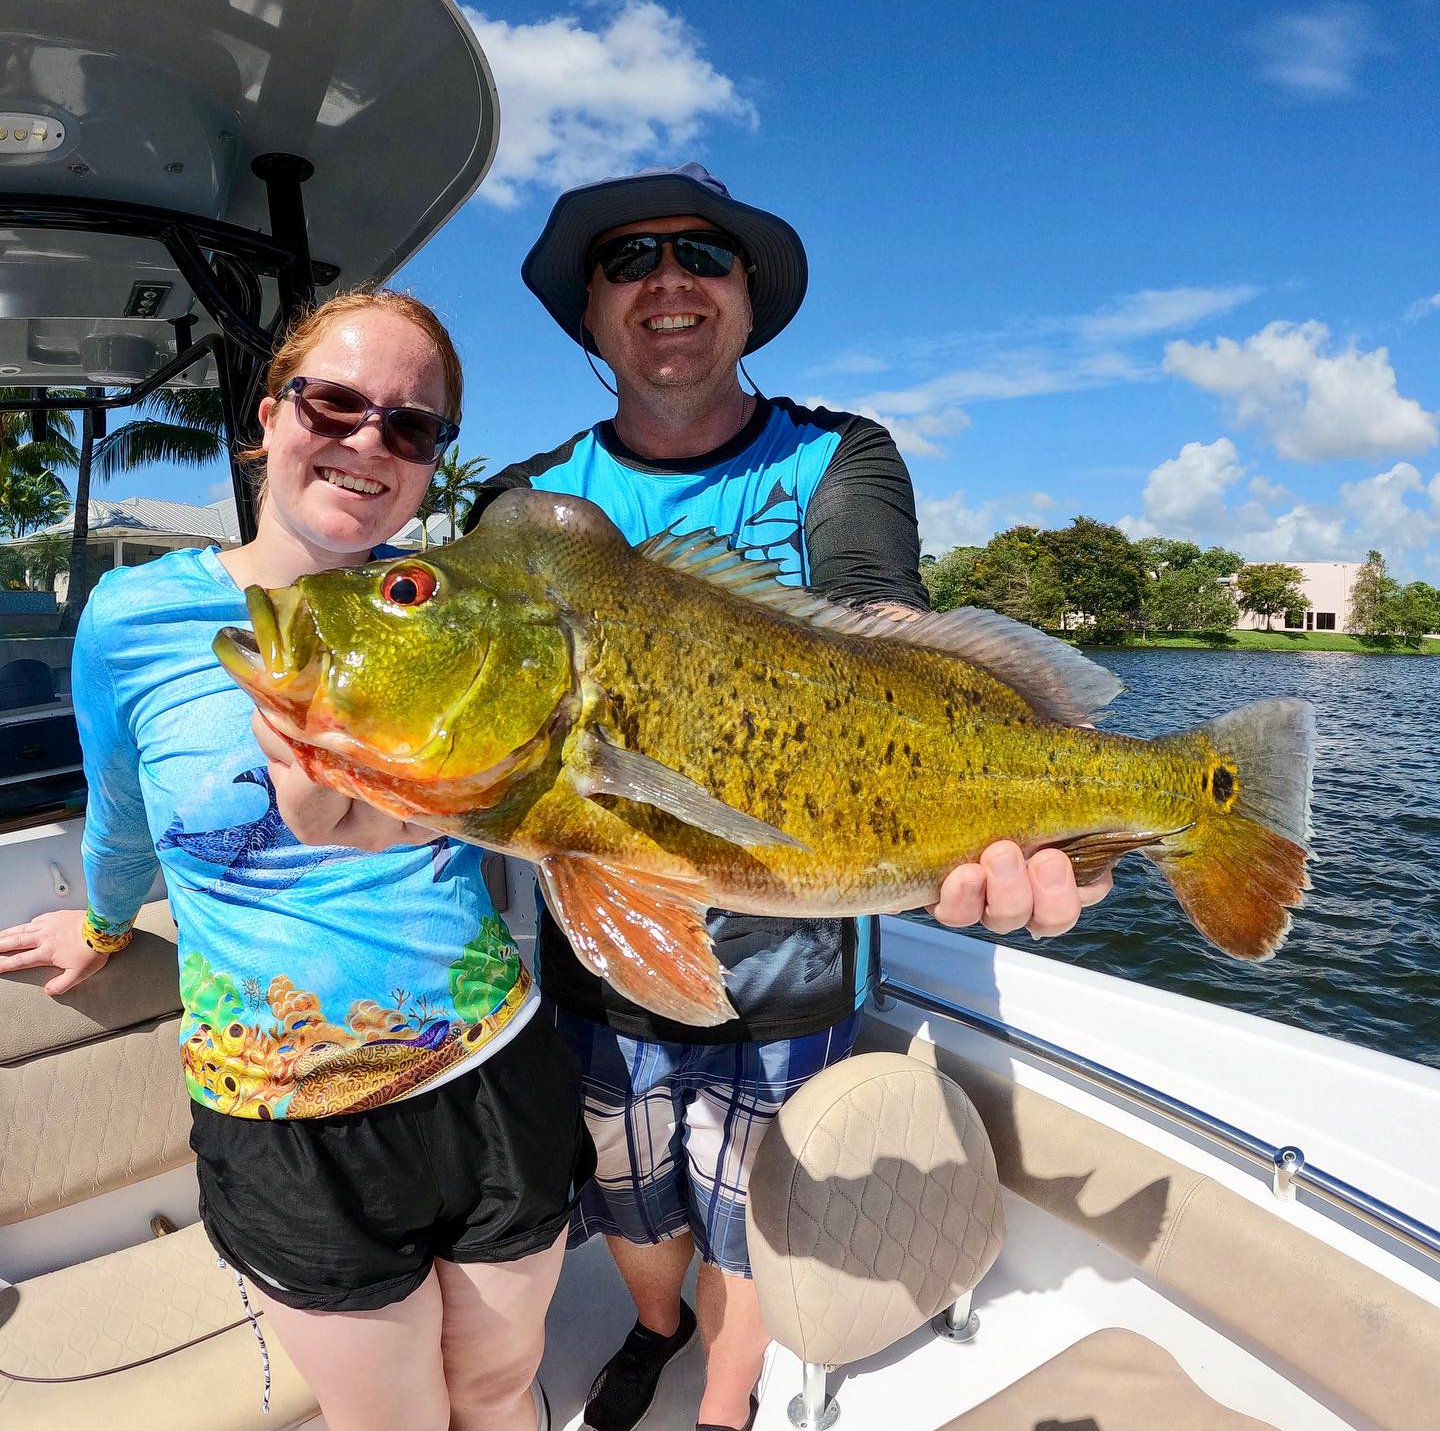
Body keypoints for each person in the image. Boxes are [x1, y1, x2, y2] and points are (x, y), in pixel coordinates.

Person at [265, 165, 1112, 1431]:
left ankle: (723, 1398)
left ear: (750, 298)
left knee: (750, 1210)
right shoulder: (528, 511)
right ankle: (654, 1330)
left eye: (704, 255)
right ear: (590, 312)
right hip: (598, 958)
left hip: (798, 968)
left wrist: (1061, 809)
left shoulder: (838, 456)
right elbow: (468, 743)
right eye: (629, 259)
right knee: (626, 1189)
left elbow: (887, 629)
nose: (669, 279)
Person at [0, 290, 592, 1431]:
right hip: (285, 1116)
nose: (369, 441)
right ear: (270, 416)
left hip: (495, 1068)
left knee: (499, 1387)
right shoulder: (133, 616)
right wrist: (106, 924)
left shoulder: (470, 620)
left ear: (431, 463)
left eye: (411, 426)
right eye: (334, 404)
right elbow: (119, 814)